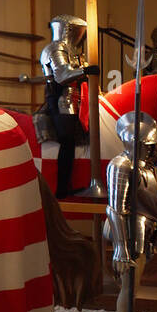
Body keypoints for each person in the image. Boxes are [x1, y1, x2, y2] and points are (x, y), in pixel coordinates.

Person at [38, 14, 92, 198]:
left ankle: (70, 185)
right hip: (61, 100)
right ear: (67, 30)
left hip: (75, 98)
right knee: (67, 142)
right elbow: (62, 75)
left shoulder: (74, 51)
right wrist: (85, 70)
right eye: (77, 32)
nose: (80, 36)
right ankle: (62, 189)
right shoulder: (55, 48)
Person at [104, 111, 157, 274]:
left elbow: (149, 203)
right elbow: (116, 209)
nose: (155, 150)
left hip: (143, 229)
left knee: (134, 287)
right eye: (150, 146)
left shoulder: (146, 167)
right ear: (137, 145)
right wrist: (121, 249)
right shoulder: (121, 165)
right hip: (128, 232)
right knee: (129, 287)